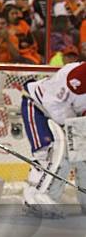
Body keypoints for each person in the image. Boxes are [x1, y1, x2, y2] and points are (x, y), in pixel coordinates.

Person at [20, 61, 86, 217]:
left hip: (71, 117)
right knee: (47, 154)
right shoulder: (78, 76)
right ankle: (35, 202)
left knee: (83, 158)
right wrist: (69, 127)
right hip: (39, 107)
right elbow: (53, 102)